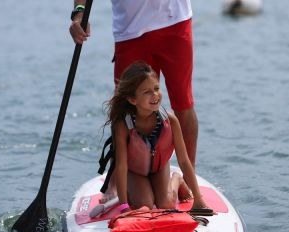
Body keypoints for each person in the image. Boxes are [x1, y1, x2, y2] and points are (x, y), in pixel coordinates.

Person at [70, 0, 198, 166]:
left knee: (183, 104)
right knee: (124, 109)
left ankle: (188, 177)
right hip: (130, 30)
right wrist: (80, 13)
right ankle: (119, 177)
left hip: (174, 22)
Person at [101, 62, 207, 212]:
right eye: (147, 92)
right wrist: (124, 206)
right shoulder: (123, 125)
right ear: (132, 100)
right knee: (145, 206)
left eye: (156, 88)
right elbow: (121, 166)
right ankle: (142, 194)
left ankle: (177, 179)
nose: (155, 95)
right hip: (135, 172)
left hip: (159, 169)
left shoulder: (170, 121)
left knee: (166, 205)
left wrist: (198, 198)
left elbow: (183, 160)